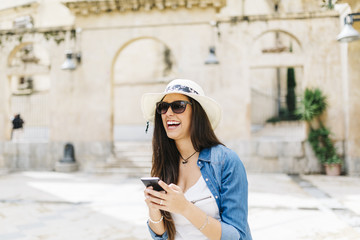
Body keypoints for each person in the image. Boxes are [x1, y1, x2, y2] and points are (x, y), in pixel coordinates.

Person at [141, 79, 252, 240]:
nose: (168, 113)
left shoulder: (225, 161)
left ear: (197, 113)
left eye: (178, 106)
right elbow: (162, 236)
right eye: (163, 107)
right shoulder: (165, 161)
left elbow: (236, 235)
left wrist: (185, 208)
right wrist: (154, 208)